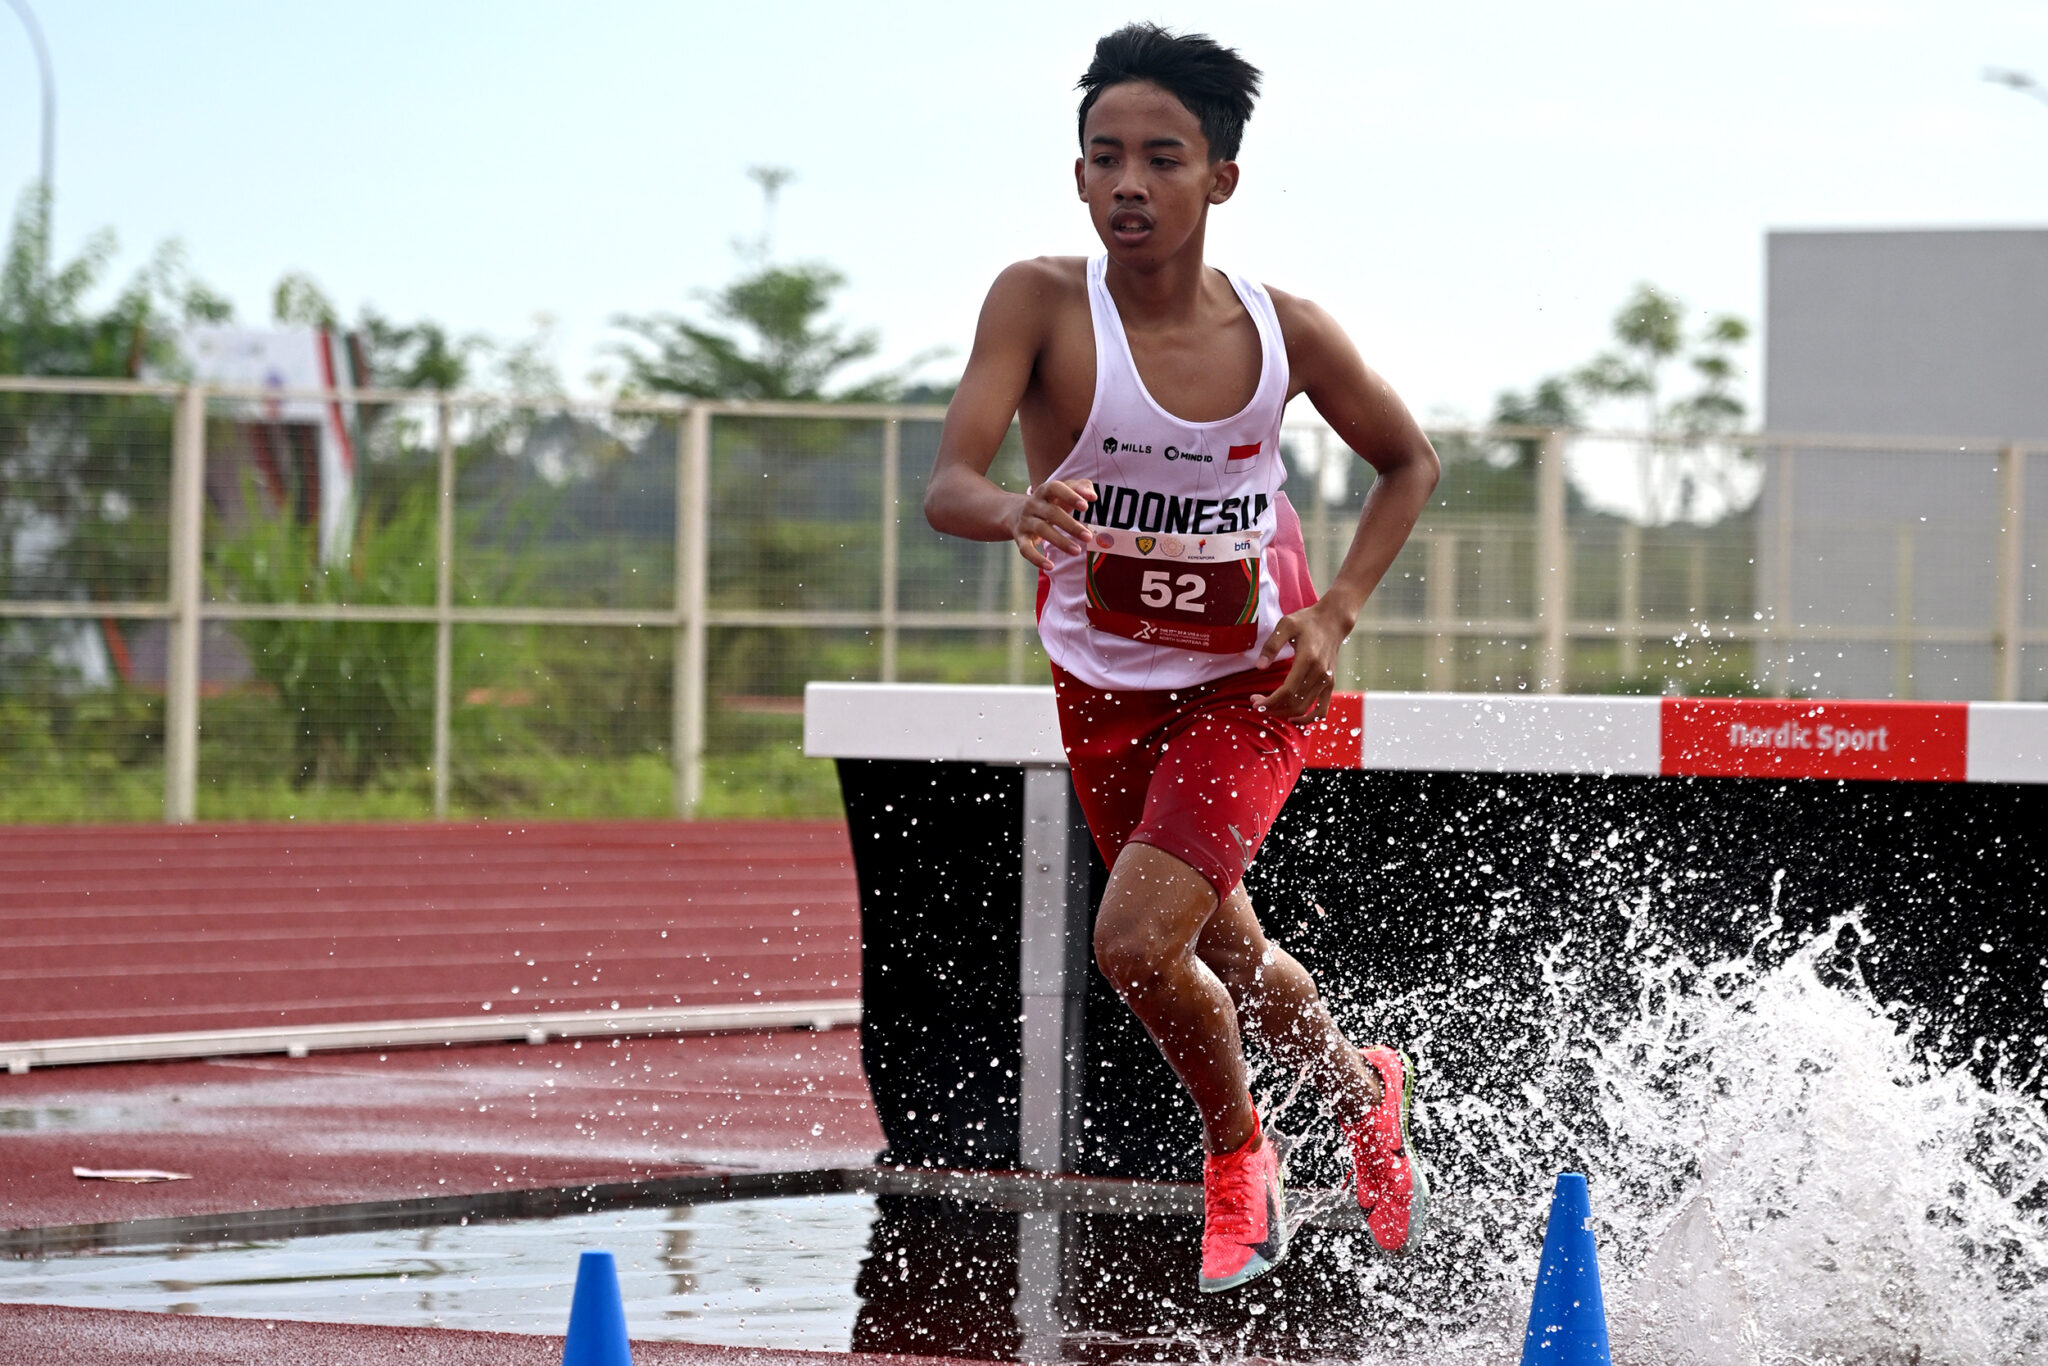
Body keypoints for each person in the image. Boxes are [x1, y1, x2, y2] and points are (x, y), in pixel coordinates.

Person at [922, 22, 1441, 1293]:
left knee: (1135, 946)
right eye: (1102, 158)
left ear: (1220, 178)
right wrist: (1015, 511)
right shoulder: (1038, 303)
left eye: (1159, 158)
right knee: (1221, 955)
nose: (1126, 185)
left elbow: (1408, 462)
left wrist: (1334, 615)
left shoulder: (1283, 333)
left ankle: (1238, 1160)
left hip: (1249, 687)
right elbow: (948, 481)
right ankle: (1361, 1087)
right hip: (1101, 687)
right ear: (1077, 175)